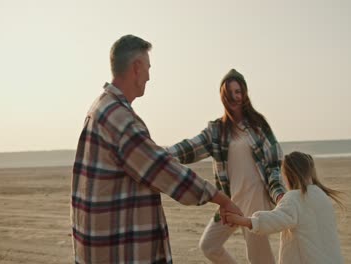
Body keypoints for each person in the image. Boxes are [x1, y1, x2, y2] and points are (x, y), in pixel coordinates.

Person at [71, 35, 242, 264]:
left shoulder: (102, 107)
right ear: (137, 68)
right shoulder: (118, 118)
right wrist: (222, 199)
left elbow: (152, 158)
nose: (149, 76)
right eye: (148, 68)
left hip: (101, 245)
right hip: (118, 249)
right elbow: (162, 169)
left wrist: (164, 154)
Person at [166, 69, 285, 263]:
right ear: (223, 97)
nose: (235, 97)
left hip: (255, 200)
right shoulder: (217, 130)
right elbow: (190, 147)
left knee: (259, 257)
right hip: (230, 201)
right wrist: (161, 154)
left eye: (238, 92)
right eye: (230, 93)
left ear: (245, 93)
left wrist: (278, 193)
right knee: (209, 245)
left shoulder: (258, 124)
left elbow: (274, 162)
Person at [225, 151, 344, 264]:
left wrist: (243, 220)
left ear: (289, 176)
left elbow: (274, 220)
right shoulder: (322, 195)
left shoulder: (294, 198)